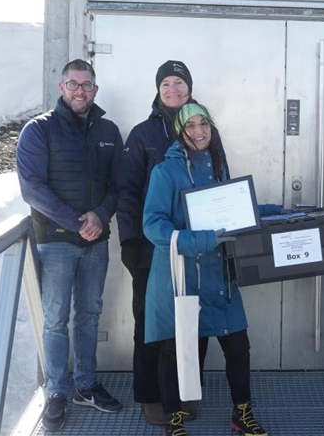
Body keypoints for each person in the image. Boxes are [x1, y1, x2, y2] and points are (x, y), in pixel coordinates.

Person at [143, 102, 270, 436]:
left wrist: (267, 211)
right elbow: (153, 225)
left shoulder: (218, 164)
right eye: (191, 126)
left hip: (218, 273)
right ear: (180, 132)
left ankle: (242, 414)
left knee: (238, 345)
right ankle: (174, 421)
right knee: (175, 348)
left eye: (204, 124)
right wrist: (198, 240)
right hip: (179, 274)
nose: (199, 132)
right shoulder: (165, 172)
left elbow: (230, 209)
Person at [16, 59, 124, 432]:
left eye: (87, 84)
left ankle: (86, 385)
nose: (80, 90)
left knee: (90, 314)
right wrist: (79, 222)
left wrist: (100, 215)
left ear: (96, 89)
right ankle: (57, 389)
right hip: (57, 242)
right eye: (73, 84)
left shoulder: (109, 130)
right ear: (61, 87)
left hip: (97, 241)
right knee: (56, 320)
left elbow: (118, 185)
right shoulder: (38, 130)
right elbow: (33, 189)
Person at [117, 60, 203, 425]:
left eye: (179, 83)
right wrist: (130, 242)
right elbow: (127, 190)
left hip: (194, 246)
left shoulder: (203, 129)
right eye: (166, 83)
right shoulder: (142, 134)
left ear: (189, 88)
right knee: (150, 322)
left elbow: (216, 185)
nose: (173, 89)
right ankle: (150, 396)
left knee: (193, 320)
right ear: (158, 89)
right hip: (151, 247)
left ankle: (185, 393)